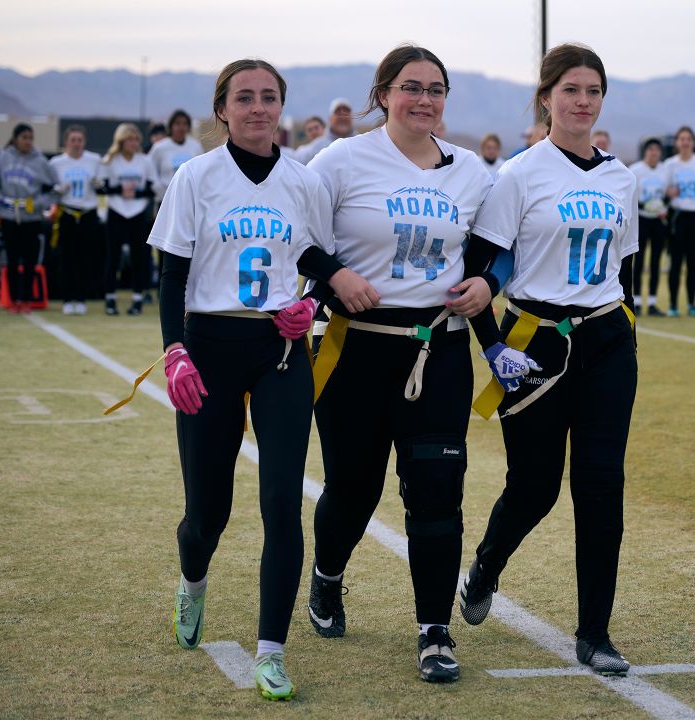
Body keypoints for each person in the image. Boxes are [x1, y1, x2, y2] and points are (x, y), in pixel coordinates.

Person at [148, 57, 343, 702]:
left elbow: (316, 259)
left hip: (279, 350)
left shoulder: (302, 180)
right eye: (245, 98)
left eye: (268, 97)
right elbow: (173, 271)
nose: (258, 108)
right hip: (210, 346)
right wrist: (174, 349)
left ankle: (271, 651)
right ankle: (193, 578)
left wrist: (310, 303)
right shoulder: (196, 177)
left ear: (280, 106)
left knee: (284, 502)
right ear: (222, 110)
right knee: (209, 510)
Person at [304, 44, 499, 684]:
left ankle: (434, 632)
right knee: (353, 489)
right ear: (383, 93)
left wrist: (487, 286)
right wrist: (334, 276)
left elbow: (495, 251)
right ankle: (327, 576)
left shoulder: (471, 171)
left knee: (437, 493)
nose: (424, 99)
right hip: (355, 347)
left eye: (436, 89)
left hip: (437, 349)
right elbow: (297, 238)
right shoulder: (340, 159)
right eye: (411, 87)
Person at [457, 43, 639, 677]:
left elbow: (625, 267)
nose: (582, 101)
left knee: (601, 484)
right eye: (570, 90)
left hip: (608, 339)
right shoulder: (519, 174)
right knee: (535, 486)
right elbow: (479, 271)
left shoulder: (622, 176)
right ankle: (485, 567)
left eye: (592, 91)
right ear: (546, 97)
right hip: (535, 340)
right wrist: (493, 343)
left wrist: (620, 326)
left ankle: (595, 632)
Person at [0, 123, 57, 314]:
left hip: (31, 219)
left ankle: (27, 300)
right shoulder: (4, 158)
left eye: (30, 138)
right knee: (11, 260)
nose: (28, 142)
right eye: (24, 138)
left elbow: (55, 189)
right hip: (9, 218)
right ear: (15, 139)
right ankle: (13, 301)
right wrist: (1, 200)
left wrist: (37, 203)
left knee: (29, 261)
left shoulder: (40, 161)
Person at [96, 123, 158, 316]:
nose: (133, 143)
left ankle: (137, 300)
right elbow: (100, 188)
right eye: (129, 139)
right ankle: (110, 300)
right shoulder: (110, 161)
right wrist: (119, 190)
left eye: (135, 139)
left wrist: (137, 193)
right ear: (121, 141)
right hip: (116, 212)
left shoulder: (145, 161)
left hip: (137, 214)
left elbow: (153, 188)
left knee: (139, 258)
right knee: (112, 258)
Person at [662, 125, 695, 318]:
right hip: (677, 218)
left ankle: (692, 304)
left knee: (693, 263)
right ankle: (673, 305)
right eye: (681, 139)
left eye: (688, 139)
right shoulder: (669, 165)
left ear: (693, 142)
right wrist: (668, 195)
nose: (685, 142)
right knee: (675, 263)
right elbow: (663, 195)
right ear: (677, 142)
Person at [49, 125, 103, 315]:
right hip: (68, 213)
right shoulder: (56, 163)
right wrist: (57, 189)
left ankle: (81, 298)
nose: (76, 144)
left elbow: (103, 183)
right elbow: (49, 188)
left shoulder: (94, 160)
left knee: (85, 258)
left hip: (88, 213)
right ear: (66, 142)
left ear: (84, 141)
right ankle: (67, 298)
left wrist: (99, 184)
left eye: (79, 140)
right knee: (67, 258)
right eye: (73, 140)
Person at [628, 138, 669, 315]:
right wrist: (647, 207)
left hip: (659, 221)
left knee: (655, 262)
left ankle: (652, 303)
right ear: (645, 151)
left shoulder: (666, 171)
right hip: (641, 220)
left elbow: (669, 193)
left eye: (656, 149)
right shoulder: (635, 170)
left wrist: (664, 204)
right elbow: (631, 197)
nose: (653, 152)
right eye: (650, 149)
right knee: (639, 261)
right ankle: (636, 301)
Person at [148, 110, 203, 196]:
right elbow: (150, 170)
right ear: (171, 126)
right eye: (177, 124)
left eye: (185, 124)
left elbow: (201, 170)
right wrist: (160, 190)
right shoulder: (159, 147)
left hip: (189, 196)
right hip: (165, 197)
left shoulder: (196, 146)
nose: (181, 127)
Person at [294, 97, 355, 164]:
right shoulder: (318, 147)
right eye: (338, 114)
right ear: (330, 118)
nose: (343, 117)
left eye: (346, 114)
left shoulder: (359, 143)